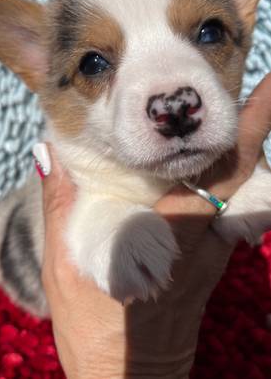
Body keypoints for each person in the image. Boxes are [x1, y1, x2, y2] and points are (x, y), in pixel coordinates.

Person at [37, 73, 271, 379]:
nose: (172, 105)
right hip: (21, 270)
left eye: (208, 33)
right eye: (95, 64)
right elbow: (91, 212)